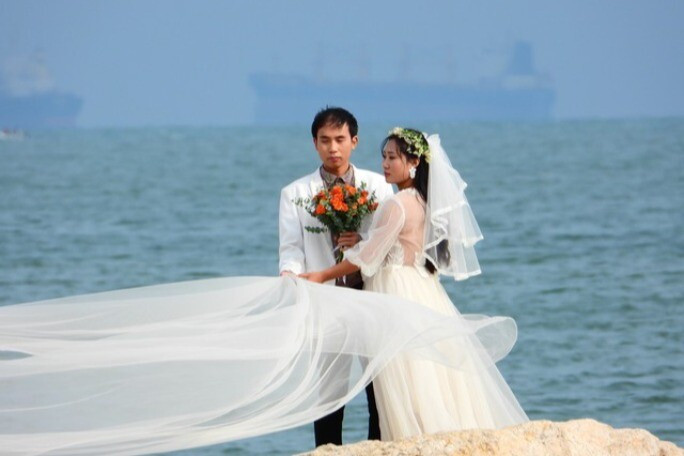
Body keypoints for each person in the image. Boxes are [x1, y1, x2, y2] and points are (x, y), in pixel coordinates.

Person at [301, 127, 529, 440]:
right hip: (421, 286)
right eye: (384, 157)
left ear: (414, 163)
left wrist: (322, 274)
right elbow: (397, 244)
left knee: (401, 370)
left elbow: (368, 257)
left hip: (394, 290)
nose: (385, 164)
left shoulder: (396, 204)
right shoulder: (423, 201)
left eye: (393, 158)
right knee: (426, 370)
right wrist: (363, 241)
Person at [278, 107, 394, 446]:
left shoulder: (378, 187)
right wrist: (289, 274)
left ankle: (377, 448)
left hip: (371, 294)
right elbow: (291, 247)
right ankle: (328, 450)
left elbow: (388, 240)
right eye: (325, 140)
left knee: (379, 384)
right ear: (314, 143)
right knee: (329, 389)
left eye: (340, 140)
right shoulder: (295, 193)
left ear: (354, 141)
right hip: (324, 299)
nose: (333, 148)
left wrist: (362, 241)